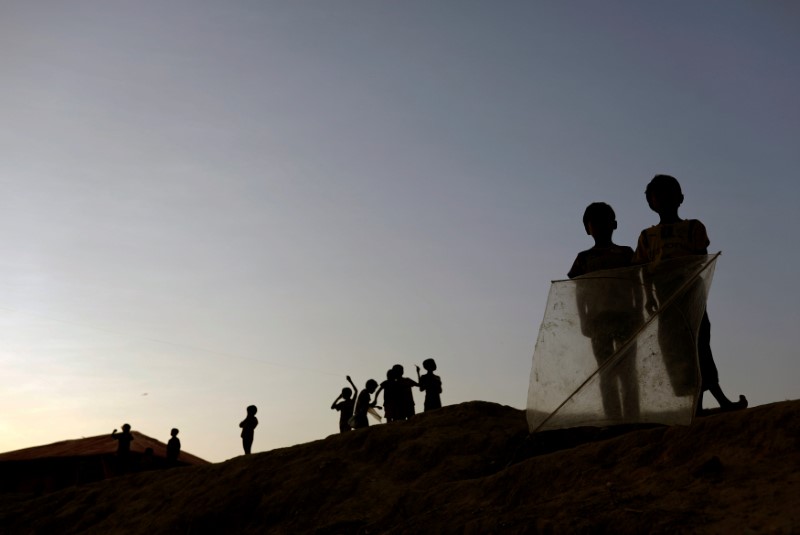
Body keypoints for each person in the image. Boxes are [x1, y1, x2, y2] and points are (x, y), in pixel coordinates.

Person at [633, 174, 747, 415]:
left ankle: (718, 398)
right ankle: (694, 405)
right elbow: (643, 270)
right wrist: (649, 297)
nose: (663, 199)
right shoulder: (646, 236)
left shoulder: (693, 227)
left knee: (700, 342)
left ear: (680, 198)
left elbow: (700, 261)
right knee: (676, 349)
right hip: (665, 298)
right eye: (658, 195)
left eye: (668, 193)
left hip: (690, 294)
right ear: (651, 203)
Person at [568, 202, 641, 421]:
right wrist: (583, 320)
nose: (600, 227)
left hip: (625, 317)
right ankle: (613, 419)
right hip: (598, 321)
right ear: (587, 229)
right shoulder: (583, 259)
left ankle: (632, 417)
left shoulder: (626, 253)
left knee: (628, 372)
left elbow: (637, 284)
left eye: (605, 222)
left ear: (615, 224)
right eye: (595, 223)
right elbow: (579, 292)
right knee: (606, 372)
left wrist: (639, 311)